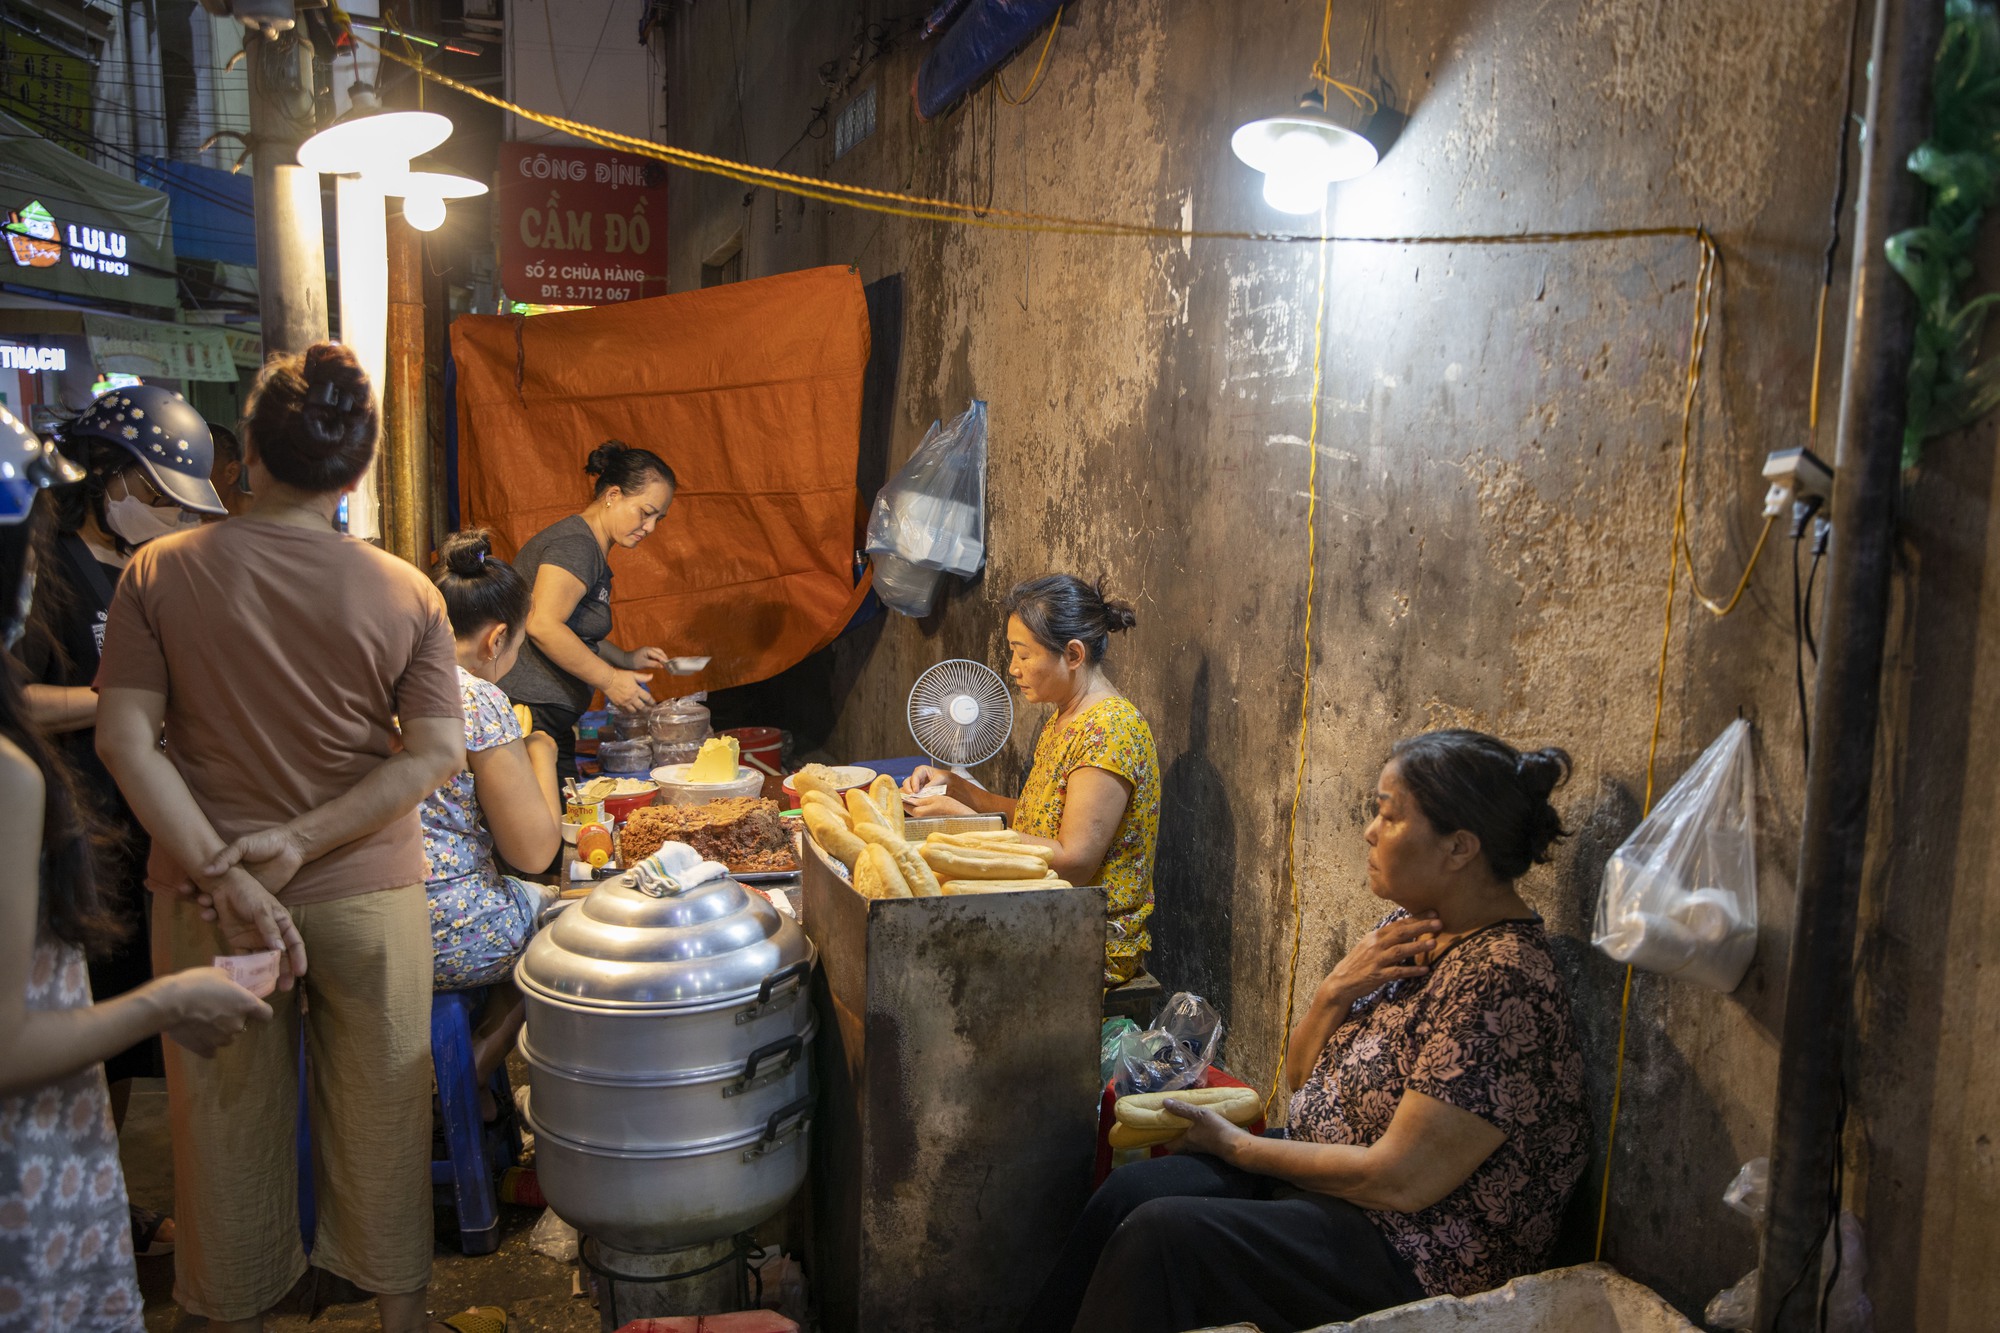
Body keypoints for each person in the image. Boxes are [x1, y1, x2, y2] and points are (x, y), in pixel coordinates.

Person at [93, 345, 482, 1333]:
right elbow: (436, 752)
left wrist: (230, 874)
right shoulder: (409, 591)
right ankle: (401, 1322)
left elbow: (125, 739)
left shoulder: (157, 571)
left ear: (249, 457)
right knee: (387, 1113)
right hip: (369, 896)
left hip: (210, 902)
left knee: (221, 1130)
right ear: (356, 472)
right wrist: (302, 840)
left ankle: (234, 1317)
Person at [1021, 730, 1589, 1333]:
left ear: (1459, 847)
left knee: (1162, 1237)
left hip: (1411, 1246)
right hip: (1332, 1188)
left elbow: (1401, 1181)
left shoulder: (1501, 980)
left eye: (1389, 815)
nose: (1369, 831)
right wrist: (1336, 989)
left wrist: (1238, 1148)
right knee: (1131, 1192)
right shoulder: (1410, 930)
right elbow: (1302, 1077)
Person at [0, 406, 270, 1332]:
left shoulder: (153, 569)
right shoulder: (56, 578)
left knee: (101, 1029)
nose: (171, 516)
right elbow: (32, 697)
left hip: (119, 828)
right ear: (108, 475)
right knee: (89, 1018)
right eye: (157, 495)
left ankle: (116, 1194)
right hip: (73, 809)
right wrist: (121, 702)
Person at [903, 575, 1159, 984]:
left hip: (1088, 937)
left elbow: (1073, 862)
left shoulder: (1110, 731)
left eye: (1023, 654)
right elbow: (1038, 818)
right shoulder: (1066, 718)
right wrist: (956, 788)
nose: (1013, 668)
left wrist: (969, 827)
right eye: (1012, 652)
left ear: (1073, 654)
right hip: (1045, 911)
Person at [422, 529, 562, 1104]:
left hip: (360, 917)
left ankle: (471, 1097)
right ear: (496, 638)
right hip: (442, 930)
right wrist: (541, 753)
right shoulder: (476, 698)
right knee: (563, 929)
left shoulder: (381, 675)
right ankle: (457, 1088)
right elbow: (535, 851)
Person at [499, 441, 677, 784]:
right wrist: (610, 680)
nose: (651, 527)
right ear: (613, 495)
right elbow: (543, 624)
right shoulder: (577, 546)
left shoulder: (588, 547)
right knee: (546, 816)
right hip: (530, 713)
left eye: (659, 518)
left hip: (547, 717)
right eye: (645, 512)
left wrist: (625, 658)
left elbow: (572, 628)